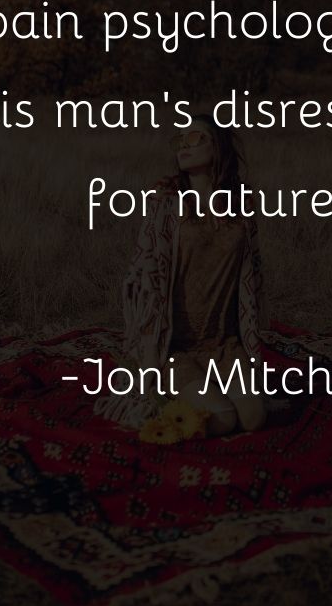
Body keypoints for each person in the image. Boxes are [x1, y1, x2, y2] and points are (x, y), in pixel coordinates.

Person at [93, 115, 270, 434]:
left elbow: (253, 277)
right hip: (176, 346)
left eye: (195, 138)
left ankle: (204, 390)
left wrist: (249, 339)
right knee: (223, 418)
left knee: (254, 419)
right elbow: (144, 278)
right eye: (180, 140)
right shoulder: (165, 204)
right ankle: (166, 394)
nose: (183, 147)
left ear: (218, 146)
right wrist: (149, 349)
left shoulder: (242, 208)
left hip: (225, 343)